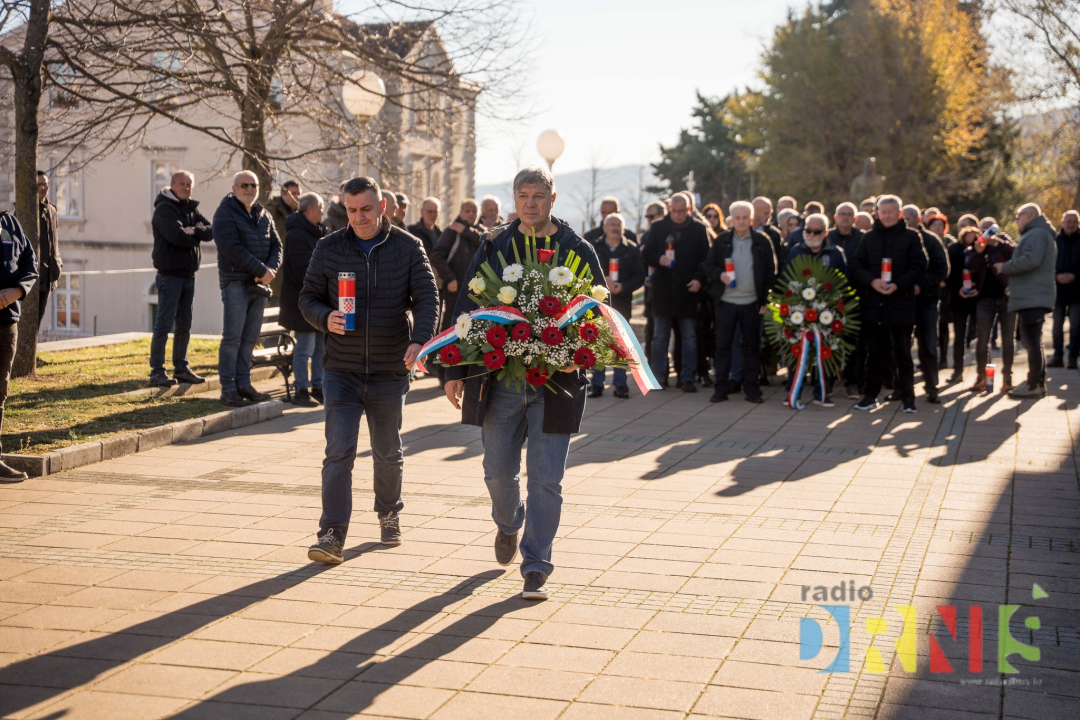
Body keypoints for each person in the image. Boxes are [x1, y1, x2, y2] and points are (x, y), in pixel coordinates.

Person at [443, 166, 605, 600]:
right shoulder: (496, 243)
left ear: (553, 199)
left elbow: (597, 312)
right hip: (501, 379)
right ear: (515, 199)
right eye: (523, 194)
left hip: (557, 382)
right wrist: (455, 368)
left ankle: (536, 565)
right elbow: (468, 305)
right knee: (497, 471)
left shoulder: (576, 247)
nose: (530, 202)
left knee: (546, 480)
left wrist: (577, 356)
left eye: (538, 195)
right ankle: (508, 522)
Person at [300, 176, 438, 560]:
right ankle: (331, 534)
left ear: (383, 207)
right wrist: (324, 316)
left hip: (389, 369)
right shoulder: (328, 248)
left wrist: (418, 339)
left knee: (387, 453)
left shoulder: (409, 247)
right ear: (344, 208)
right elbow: (307, 296)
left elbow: (428, 297)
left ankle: (389, 513)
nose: (359, 217)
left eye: (366, 209)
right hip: (340, 370)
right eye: (352, 209)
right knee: (338, 453)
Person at [849, 195, 927, 414]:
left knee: (903, 353)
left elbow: (920, 266)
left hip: (901, 303)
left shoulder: (912, 237)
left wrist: (899, 285)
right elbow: (855, 265)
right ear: (877, 214)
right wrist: (871, 281)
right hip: (874, 305)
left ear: (899, 214)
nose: (887, 216)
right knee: (873, 353)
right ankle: (869, 396)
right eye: (882, 212)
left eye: (891, 212)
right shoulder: (869, 238)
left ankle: (908, 398)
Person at [212, 171, 281, 407]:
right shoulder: (224, 213)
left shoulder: (264, 214)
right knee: (232, 338)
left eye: (254, 185)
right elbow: (231, 248)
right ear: (234, 188)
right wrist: (261, 269)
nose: (250, 189)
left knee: (250, 338)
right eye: (244, 185)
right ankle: (228, 389)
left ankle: (244, 384)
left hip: (259, 286)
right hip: (235, 283)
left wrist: (269, 269)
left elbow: (277, 245)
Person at [704, 200, 776, 404]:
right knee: (723, 347)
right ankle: (720, 388)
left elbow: (771, 272)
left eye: (745, 218)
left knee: (752, 347)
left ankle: (752, 389)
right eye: (738, 218)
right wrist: (720, 275)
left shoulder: (762, 241)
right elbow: (708, 266)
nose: (742, 222)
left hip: (752, 303)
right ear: (731, 220)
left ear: (751, 219)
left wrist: (765, 298)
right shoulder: (722, 241)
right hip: (726, 303)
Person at [149, 170, 213, 387]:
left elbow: (211, 230)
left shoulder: (191, 209)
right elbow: (176, 237)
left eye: (189, 184)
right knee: (164, 324)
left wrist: (192, 230)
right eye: (182, 184)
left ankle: (181, 368)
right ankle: (157, 371)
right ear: (172, 185)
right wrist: (196, 234)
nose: (186, 187)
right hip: (170, 276)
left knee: (184, 324)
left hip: (188, 275)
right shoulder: (164, 209)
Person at [641, 193, 710, 392]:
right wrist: (658, 259)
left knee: (689, 338)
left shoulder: (698, 229)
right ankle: (658, 377)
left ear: (689, 210)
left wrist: (699, 280)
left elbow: (706, 260)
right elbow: (646, 253)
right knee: (659, 337)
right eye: (674, 211)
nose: (677, 215)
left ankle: (687, 377)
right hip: (663, 291)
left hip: (687, 291)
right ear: (669, 209)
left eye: (682, 211)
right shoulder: (658, 227)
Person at [783, 212, 845, 405]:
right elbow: (785, 279)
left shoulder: (835, 254)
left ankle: (822, 393)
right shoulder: (795, 251)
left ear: (825, 232)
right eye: (807, 230)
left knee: (824, 352)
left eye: (816, 231)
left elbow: (843, 282)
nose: (810, 234)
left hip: (826, 312)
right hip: (799, 311)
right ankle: (794, 391)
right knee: (796, 351)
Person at [997, 203, 1058, 398]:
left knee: (1031, 342)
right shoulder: (1039, 232)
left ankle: (1033, 386)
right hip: (1033, 296)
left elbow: (1030, 260)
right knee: (1034, 341)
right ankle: (1036, 383)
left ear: (1029, 215)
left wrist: (1005, 266)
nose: (1017, 221)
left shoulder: (1036, 234)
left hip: (1033, 297)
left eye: (1018, 216)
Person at [588, 212, 645, 398]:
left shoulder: (632, 249)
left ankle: (620, 384)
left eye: (618, 225)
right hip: (597, 305)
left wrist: (624, 286)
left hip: (622, 303)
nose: (615, 228)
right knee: (598, 344)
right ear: (604, 227)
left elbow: (639, 276)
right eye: (611, 224)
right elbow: (584, 271)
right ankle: (596, 384)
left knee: (620, 346)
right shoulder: (593, 248)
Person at [0, 210, 39, 482]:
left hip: (6, 322)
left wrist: (17, 291)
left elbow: (30, 263)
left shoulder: (9, 222)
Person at [280, 192, 327, 407]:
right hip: (301, 302)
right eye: (321, 207)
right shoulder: (298, 234)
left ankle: (318, 386)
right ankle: (300, 389)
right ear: (312, 209)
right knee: (304, 348)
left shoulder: (316, 232)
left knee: (319, 348)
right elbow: (303, 269)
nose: (323, 211)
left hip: (318, 300)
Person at [902, 205, 949, 403]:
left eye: (908, 219)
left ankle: (931, 387)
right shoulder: (899, 240)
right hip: (903, 300)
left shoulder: (931, 240)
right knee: (902, 346)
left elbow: (942, 269)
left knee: (928, 345)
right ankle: (901, 388)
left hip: (927, 300)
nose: (905, 223)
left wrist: (921, 285)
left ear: (918, 220)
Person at [966, 224, 1016, 393]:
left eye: (990, 231)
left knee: (1008, 341)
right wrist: (979, 251)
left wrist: (997, 243)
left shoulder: (1003, 241)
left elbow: (1015, 253)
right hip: (985, 300)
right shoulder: (978, 245)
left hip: (1007, 298)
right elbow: (969, 265)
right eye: (984, 231)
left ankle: (1007, 379)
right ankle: (983, 378)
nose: (987, 235)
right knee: (982, 341)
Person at [828, 202, 866, 399]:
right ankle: (828, 382)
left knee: (853, 343)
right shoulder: (827, 237)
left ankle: (853, 383)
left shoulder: (863, 239)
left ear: (855, 218)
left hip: (854, 298)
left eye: (849, 214)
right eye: (841, 214)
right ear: (835, 218)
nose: (845, 218)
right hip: (829, 298)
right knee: (830, 340)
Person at [430, 199, 484, 336]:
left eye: (474, 211)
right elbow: (436, 255)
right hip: (456, 292)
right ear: (460, 212)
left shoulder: (481, 231)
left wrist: (466, 231)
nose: (471, 214)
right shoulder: (452, 231)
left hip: (478, 294)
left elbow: (487, 243)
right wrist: (450, 278)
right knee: (450, 331)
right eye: (467, 211)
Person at [944, 227, 980, 383]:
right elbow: (948, 273)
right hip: (958, 300)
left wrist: (978, 287)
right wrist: (957, 287)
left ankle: (983, 374)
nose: (972, 239)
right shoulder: (953, 250)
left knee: (982, 337)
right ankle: (957, 370)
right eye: (969, 236)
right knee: (959, 337)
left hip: (977, 300)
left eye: (974, 237)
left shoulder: (981, 250)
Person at [1050, 210, 1080, 369]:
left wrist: (1075, 276)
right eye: (1068, 221)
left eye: (1074, 222)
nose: (1071, 224)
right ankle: (1057, 356)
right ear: (1062, 223)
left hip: (1077, 291)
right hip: (1058, 291)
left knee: (1076, 326)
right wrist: (1056, 276)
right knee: (1056, 326)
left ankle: (1073, 357)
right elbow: (1048, 264)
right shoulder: (1055, 241)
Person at [641, 201, 666, 367]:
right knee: (651, 330)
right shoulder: (645, 236)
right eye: (647, 216)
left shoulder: (666, 233)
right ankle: (650, 363)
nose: (649, 220)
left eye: (652, 216)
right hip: (650, 290)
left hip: (663, 289)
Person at [35, 171, 62, 324]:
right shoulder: (27, 213)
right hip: (33, 277)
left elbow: (55, 242)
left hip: (49, 276)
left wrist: (58, 264)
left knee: (38, 320)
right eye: (39, 184)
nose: (43, 187)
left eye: (45, 184)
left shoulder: (52, 210)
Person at [266, 180, 300, 246]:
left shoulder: (300, 214)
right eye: (293, 193)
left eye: (298, 194)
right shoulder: (272, 210)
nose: (297, 197)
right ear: (283, 194)